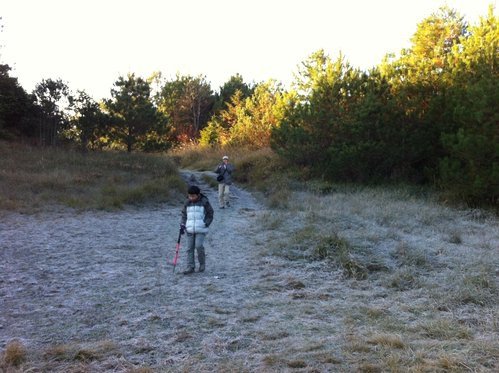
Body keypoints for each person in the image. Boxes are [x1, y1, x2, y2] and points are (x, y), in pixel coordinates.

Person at [180, 185, 214, 274]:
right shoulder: (187, 202)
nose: (191, 198)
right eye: (189, 196)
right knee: (189, 248)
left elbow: (210, 213)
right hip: (189, 229)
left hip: (201, 229)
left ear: (198, 195)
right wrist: (182, 225)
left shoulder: (204, 201)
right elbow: (184, 215)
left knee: (198, 246)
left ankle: (202, 264)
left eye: (193, 196)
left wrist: (206, 223)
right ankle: (190, 267)